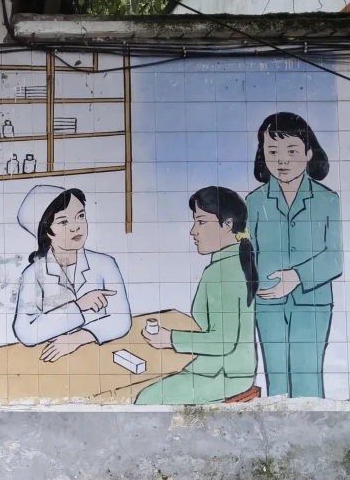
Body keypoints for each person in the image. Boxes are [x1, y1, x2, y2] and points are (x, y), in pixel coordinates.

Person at [245, 112, 342, 398]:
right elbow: (248, 254)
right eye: (273, 152)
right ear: (263, 156)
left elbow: (334, 259)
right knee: (276, 379)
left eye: (292, 151)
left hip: (312, 303)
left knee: (307, 377)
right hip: (267, 303)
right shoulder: (254, 201)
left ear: (309, 153)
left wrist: (296, 277)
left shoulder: (327, 199)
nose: (282, 161)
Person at [135, 187, 258, 405]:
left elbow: (223, 341)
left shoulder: (224, 271)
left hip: (224, 376)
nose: (193, 231)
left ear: (227, 224)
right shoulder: (232, 262)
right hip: (224, 370)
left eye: (201, 222)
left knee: (145, 399)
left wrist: (170, 339)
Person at [13, 185, 131, 362]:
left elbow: (122, 321)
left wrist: (76, 339)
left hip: (100, 356)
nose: (76, 227)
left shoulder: (105, 264)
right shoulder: (33, 274)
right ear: (46, 231)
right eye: (63, 222)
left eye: (80, 216)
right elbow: (25, 332)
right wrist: (79, 306)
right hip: (51, 360)